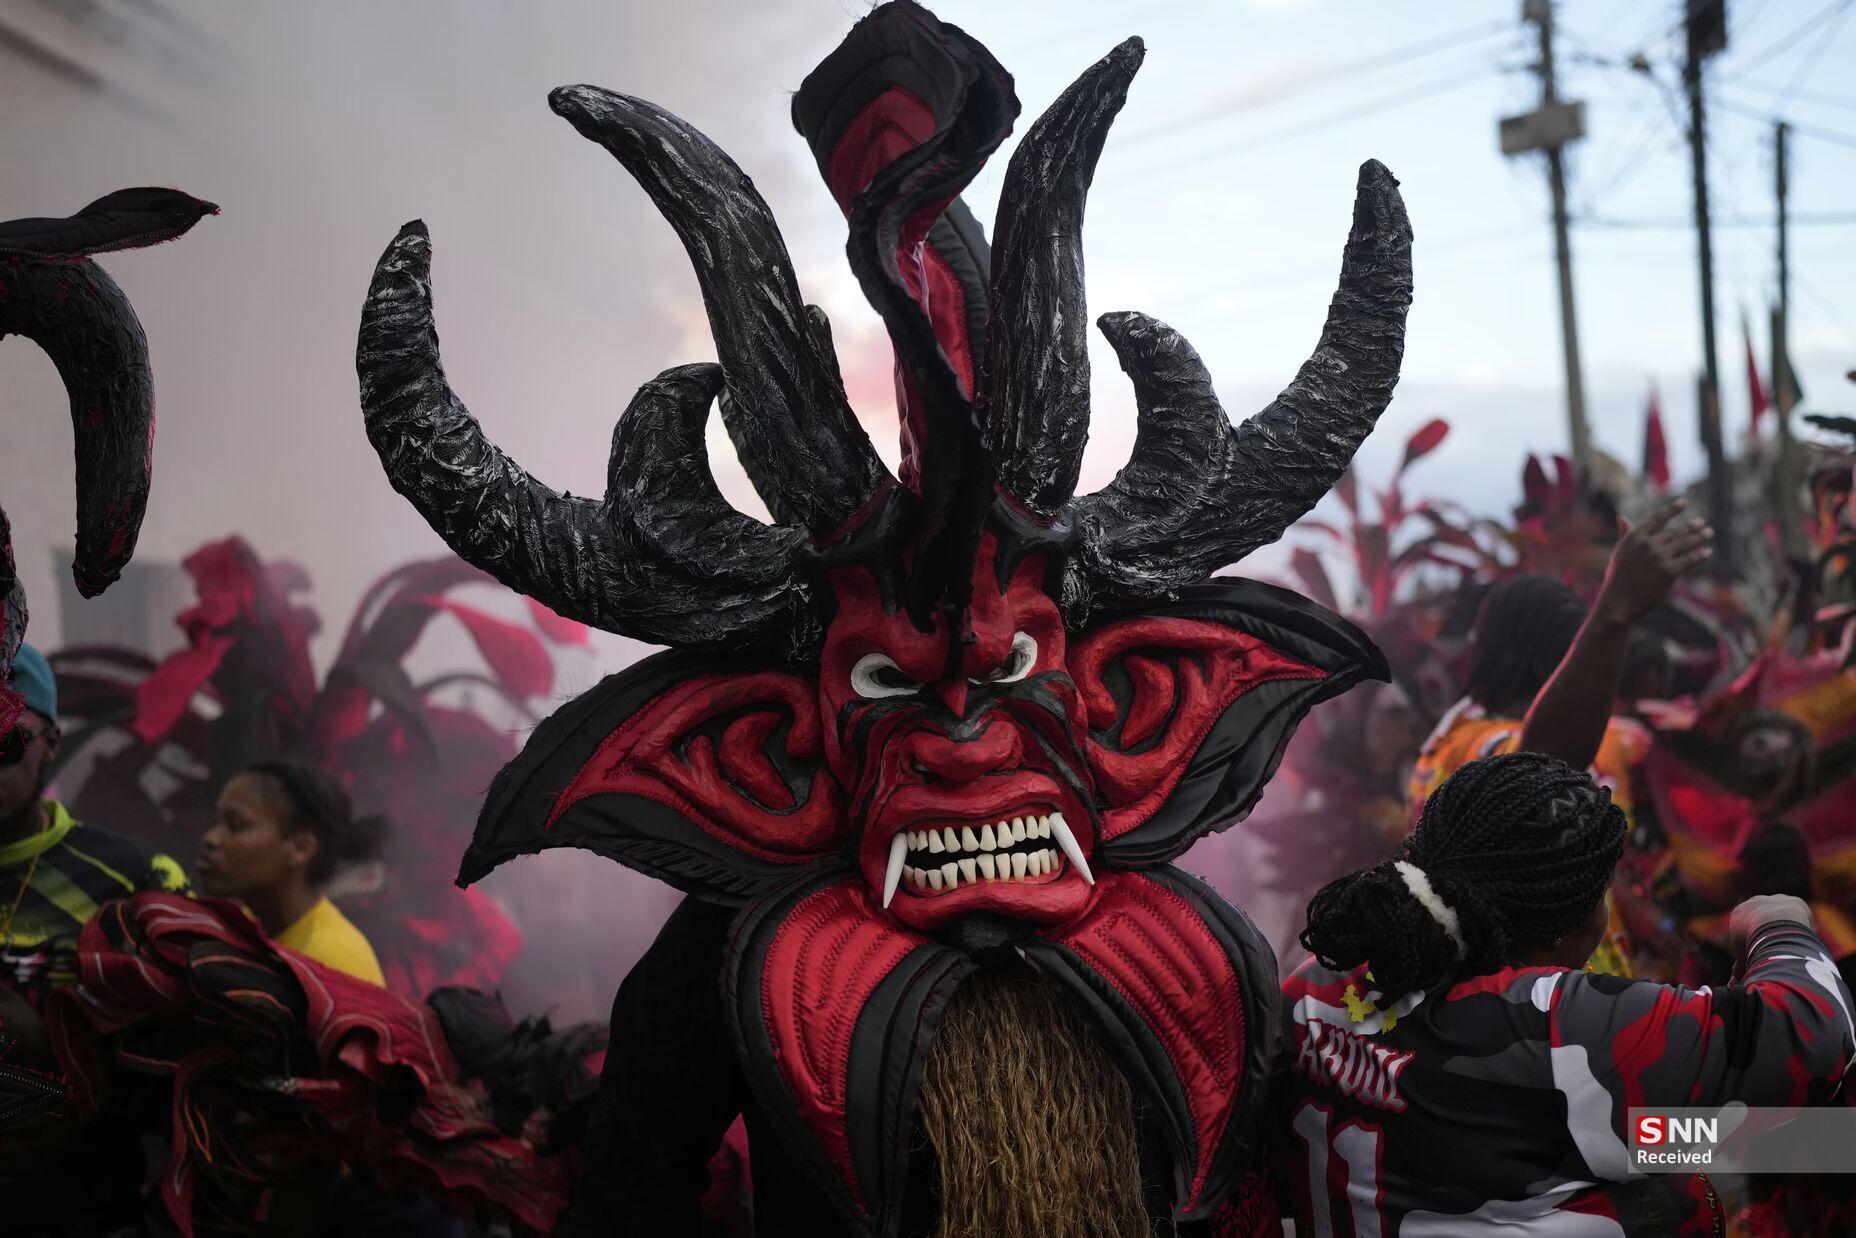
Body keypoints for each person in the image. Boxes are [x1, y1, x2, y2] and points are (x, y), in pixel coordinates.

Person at [1282, 751, 1855, 1234]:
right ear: (1563, 926)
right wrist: (1778, 923)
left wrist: (1807, 1141)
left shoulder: (1316, 984)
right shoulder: (1552, 1026)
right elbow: (1815, 1033)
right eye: (1604, 895)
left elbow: (1611, 1127)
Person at [197, 759, 386, 986]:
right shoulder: (241, 928)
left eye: (236, 825)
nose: (210, 839)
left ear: (300, 849)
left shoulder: (333, 961)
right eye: (215, 822)